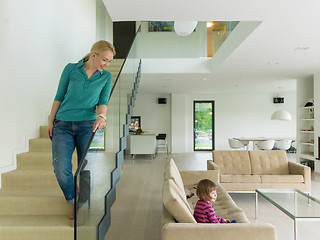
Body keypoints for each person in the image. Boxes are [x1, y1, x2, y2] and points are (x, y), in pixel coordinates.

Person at [46, 40, 116, 221]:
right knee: (61, 168)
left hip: (88, 126)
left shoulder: (106, 77)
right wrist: (51, 121)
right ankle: (72, 200)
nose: (107, 64)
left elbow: (103, 102)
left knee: (86, 169)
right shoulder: (71, 69)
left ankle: (83, 205)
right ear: (94, 55)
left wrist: (102, 116)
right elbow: (59, 96)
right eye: (105, 60)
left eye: (109, 61)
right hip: (63, 125)